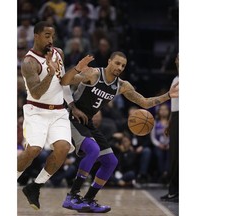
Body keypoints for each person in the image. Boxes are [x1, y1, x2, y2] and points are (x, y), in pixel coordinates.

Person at [60, 51, 179, 213]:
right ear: (109, 61)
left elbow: (144, 102)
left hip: (88, 121)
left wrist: (168, 95)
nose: (119, 67)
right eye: (117, 63)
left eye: (123, 65)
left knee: (110, 161)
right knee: (93, 150)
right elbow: (64, 82)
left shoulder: (122, 86)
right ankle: (72, 196)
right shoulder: (94, 74)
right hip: (71, 117)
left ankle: (88, 199)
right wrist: (77, 69)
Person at [17, 21, 89, 210]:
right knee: (34, 150)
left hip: (58, 111)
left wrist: (72, 105)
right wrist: (49, 73)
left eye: (52, 36)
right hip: (37, 111)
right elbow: (37, 92)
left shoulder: (58, 53)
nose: (51, 39)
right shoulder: (29, 62)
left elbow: (64, 81)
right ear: (37, 36)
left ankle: (35, 186)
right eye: (47, 35)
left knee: (63, 148)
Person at [160, 53, 179, 202]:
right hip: (176, 118)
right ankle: (173, 191)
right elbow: (174, 105)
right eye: (179, 58)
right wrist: (171, 123)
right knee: (174, 157)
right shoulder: (175, 79)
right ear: (176, 60)